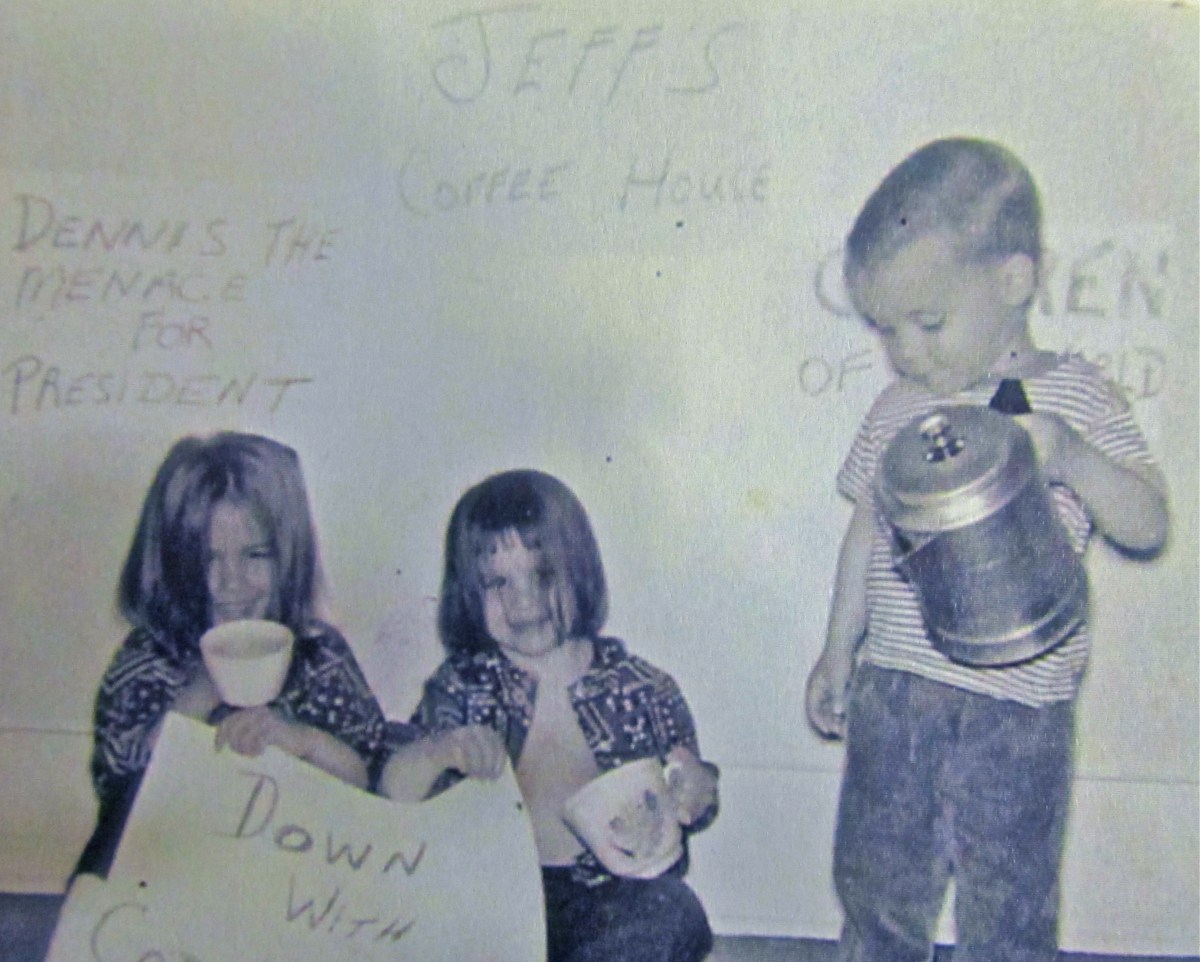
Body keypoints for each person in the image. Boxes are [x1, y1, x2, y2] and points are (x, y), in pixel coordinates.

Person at [804, 137, 1169, 962]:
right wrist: (837, 651)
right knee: (875, 883)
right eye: (889, 330)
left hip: (1018, 708)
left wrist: (1069, 453)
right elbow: (864, 531)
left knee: (1009, 902)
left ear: (1012, 282)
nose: (907, 354)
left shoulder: (1071, 395)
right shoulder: (901, 408)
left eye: (928, 323)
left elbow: (1148, 523)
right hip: (897, 689)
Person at [380, 469, 719, 962]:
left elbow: (694, 786)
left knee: (675, 911)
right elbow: (393, 791)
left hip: (609, 900)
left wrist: (695, 789)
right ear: (467, 593)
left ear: (579, 572)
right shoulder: (462, 686)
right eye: (497, 582)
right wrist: (441, 749)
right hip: (496, 902)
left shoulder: (640, 685)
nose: (524, 600)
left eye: (543, 575)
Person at [76, 432, 386, 877]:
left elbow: (370, 786)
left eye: (256, 556)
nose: (231, 583)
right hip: (177, 872)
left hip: (296, 883)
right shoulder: (149, 659)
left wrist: (303, 741)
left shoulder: (319, 657)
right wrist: (194, 699)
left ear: (288, 558)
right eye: (208, 561)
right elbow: (119, 790)